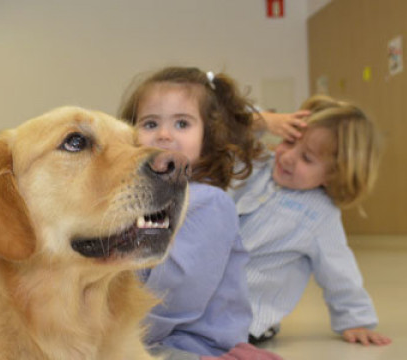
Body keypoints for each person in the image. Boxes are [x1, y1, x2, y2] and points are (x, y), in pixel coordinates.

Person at [119, 67, 279, 360]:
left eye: (182, 123)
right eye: (150, 123)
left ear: (209, 137)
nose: (164, 135)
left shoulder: (209, 203)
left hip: (192, 345)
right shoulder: (139, 202)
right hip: (150, 336)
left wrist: (113, 332)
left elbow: (174, 297)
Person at [233, 95, 391, 346]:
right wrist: (262, 122)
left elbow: (340, 271)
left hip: (247, 317)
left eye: (307, 158)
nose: (287, 157)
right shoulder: (260, 165)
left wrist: (355, 320)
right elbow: (222, 137)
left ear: (334, 174)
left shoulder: (321, 215)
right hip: (202, 297)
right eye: (288, 142)